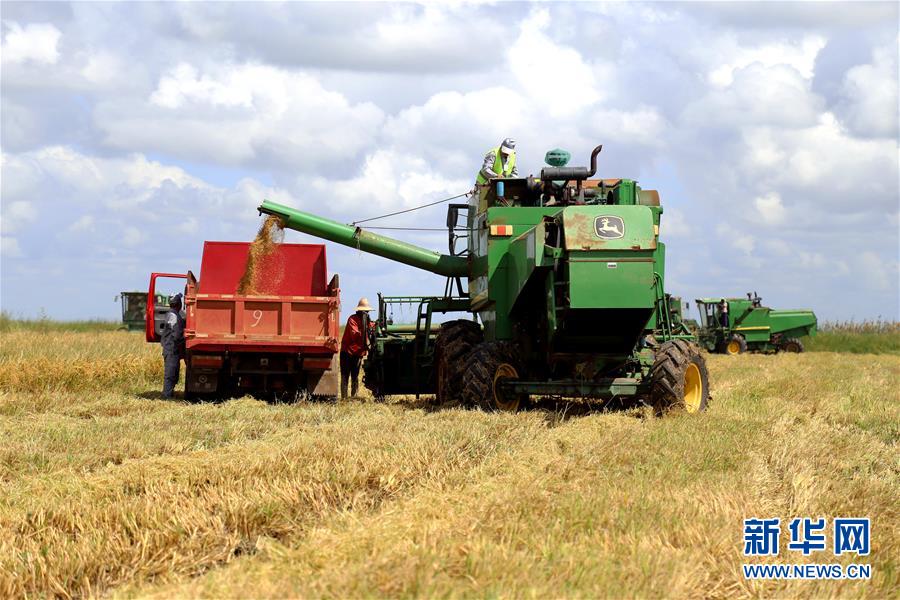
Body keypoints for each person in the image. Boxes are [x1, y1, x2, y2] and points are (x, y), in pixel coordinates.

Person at [340, 297, 374, 399]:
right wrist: (366, 329)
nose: (366, 313)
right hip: (347, 352)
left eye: (367, 311)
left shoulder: (368, 322)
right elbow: (355, 334)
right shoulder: (352, 319)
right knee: (345, 375)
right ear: (360, 311)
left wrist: (374, 327)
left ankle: (354, 396)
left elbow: (372, 328)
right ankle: (344, 398)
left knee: (355, 376)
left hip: (358, 353)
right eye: (365, 311)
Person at [161, 293, 186, 398]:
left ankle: (169, 393)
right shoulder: (173, 315)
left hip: (170, 348)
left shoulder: (172, 314)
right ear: (178, 304)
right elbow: (176, 335)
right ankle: (166, 396)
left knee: (173, 372)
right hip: (171, 349)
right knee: (170, 373)